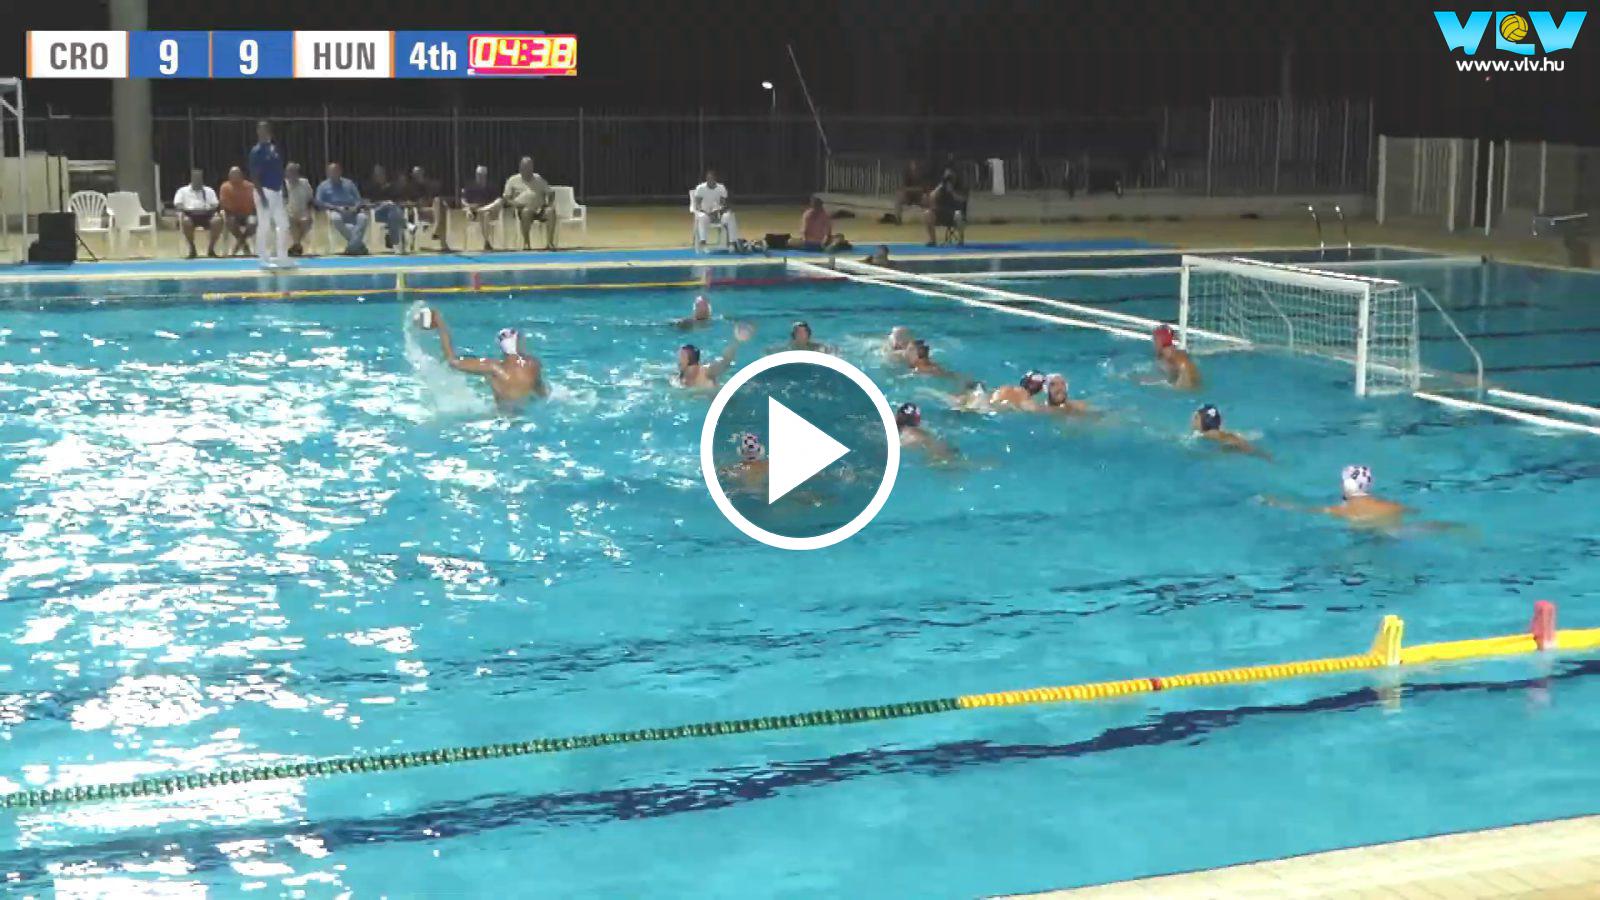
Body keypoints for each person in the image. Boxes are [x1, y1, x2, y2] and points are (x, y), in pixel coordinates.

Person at [419, 307, 548, 410]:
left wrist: (440, 323)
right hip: (525, 415)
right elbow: (542, 394)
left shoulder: (493, 368)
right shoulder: (533, 364)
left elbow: (452, 361)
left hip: (502, 419)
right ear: (519, 343)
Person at [248, 120, 289, 267]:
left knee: (283, 224)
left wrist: (283, 190)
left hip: (277, 191)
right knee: (264, 225)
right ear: (258, 132)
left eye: (266, 130)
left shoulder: (274, 149)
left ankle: (282, 256)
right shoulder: (256, 151)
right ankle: (263, 258)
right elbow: (254, 175)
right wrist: (261, 195)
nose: (264, 133)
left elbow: (280, 171)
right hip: (264, 190)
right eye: (261, 130)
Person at [676, 322, 755, 390]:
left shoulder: (707, 371)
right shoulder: (678, 379)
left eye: (681, 357)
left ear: (690, 361)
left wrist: (736, 341)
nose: (678, 360)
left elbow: (726, 361)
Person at [314, 162, 370, 255]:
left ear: (340, 171)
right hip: (336, 210)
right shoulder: (323, 186)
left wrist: (355, 208)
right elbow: (319, 202)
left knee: (363, 218)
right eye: (331, 171)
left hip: (352, 210)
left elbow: (358, 199)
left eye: (336, 171)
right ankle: (359, 246)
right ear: (327, 173)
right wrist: (336, 207)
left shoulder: (349, 183)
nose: (334, 173)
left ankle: (352, 247)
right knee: (336, 219)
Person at [503, 156, 556, 250]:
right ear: (520, 168)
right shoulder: (513, 180)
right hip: (523, 209)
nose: (527, 170)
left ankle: (550, 242)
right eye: (524, 168)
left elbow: (551, 192)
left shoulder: (538, 178)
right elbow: (506, 198)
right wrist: (515, 203)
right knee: (526, 212)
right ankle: (526, 243)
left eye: (529, 167)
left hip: (540, 209)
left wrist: (549, 204)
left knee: (551, 211)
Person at [172, 168, 223, 259]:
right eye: (195, 179)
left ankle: (211, 249)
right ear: (191, 179)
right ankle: (192, 248)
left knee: (217, 220)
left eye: (199, 179)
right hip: (190, 214)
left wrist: (209, 208)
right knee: (185, 221)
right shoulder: (182, 191)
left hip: (206, 214)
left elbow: (215, 204)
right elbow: (178, 204)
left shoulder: (209, 191)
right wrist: (185, 209)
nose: (197, 181)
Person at [1192, 404, 1268, 458]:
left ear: (1205, 421)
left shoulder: (1210, 434)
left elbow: (1233, 440)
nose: (1192, 420)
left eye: (1196, 417)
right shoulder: (1209, 433)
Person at [691, 168, 740, 251]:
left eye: (712, 178)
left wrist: (719, 212)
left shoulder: (721, 188)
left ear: (715, 179)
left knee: (730, 216)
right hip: (704, 213)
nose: (710, 180)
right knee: (702, 217)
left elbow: (723, 204)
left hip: (718, 214)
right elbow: (697, 205)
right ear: (706, 179)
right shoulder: (700, 188)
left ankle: (732, 243)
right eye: (708, 178)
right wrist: (706, 213)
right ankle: (703, 243)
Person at [405, 165, 451, 251]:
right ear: (412, 175)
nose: (418, 175)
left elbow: (434, 198)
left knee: (439, 202)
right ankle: (442, 241)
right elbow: (408, 202)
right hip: (419, 211)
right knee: (441, 212)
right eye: (416, 173)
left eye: (420, 172)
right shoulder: (410, 187)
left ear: (423, 173)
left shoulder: (428, 185)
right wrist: (417, 204)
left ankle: (437, 228)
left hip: (432, 209)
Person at [366, 164, 407, 251]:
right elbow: (367, 203)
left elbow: (399, 201)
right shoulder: (371, 188)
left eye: (381, 174)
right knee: (394, 211)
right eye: (377, 174)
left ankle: (395, 243)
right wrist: (381, 203)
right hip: (377, 213)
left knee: (393, 212)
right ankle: (405, 230)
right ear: (374, 176)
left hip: (392, 213)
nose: (380, 176)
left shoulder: (392, 187)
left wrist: (392, 203)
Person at [461, 165, 502, 251]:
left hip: (488, 211)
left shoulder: (491, 186)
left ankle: (486, 242)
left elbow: (498, 200)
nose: (480, 177)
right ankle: (487, 242)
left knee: (486, 214)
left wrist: (486, 208)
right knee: (479, 214)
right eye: (478, 174)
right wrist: (468, 209)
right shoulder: (470, 186)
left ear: (485, 175)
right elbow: (463, 201)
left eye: (482, 175)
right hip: (474, 212)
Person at [218, 167, 257, 256]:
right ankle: (244, 245)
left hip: (248, 214)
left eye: (237, 174)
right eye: (232, 174)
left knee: (253, 222)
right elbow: (224, 203)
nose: (234, 176)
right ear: (229, 176)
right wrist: (235, 210)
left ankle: (240, 242)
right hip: (232, 214)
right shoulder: (225, 187)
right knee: (230, 222)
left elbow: (254, 202)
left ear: (241, 175)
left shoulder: (250, 186)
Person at [924, 168, 967, 247]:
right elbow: (931, 197)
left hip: (953, 214)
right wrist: (939, 188)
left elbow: (963, 199)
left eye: (951, 178)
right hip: (940, 214)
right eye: (947, 178)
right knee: (927, 213)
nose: (949, 181)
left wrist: (952, 192)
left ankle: (961, 241)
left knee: (958, 214)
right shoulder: (941, 187)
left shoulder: (959, 187)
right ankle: (933, 240)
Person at [1152, 324, 1201, 390]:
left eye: (1155, 340)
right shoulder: (1171, 354)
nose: (1153, 344)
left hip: (1188, 388)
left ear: (1160, 342)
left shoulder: (1174, 360)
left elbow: (1185, 387)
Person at [282, 162, 315, 256]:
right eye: (290, 171)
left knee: (306, 221)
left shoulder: (305, 183)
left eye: (294, 171)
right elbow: (282, 202)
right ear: (286, 173)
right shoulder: (283, 185)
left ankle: (296, 246)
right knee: (290, 220)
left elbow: (310, 199)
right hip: (288, 212)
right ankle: (297, 246)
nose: (292, 173)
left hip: (303, 212)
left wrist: (308, 211)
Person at [893, 160, 927, 225]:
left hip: (918, 197)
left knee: (927, 200)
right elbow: (905, 186)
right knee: (898, 199)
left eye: (914, 165)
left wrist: (914, 189)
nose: (913, 166)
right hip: (909, 196)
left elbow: (923, 187)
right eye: (911, 165)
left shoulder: (921, 174)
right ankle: (898, 219)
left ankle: (929, 219)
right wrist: (905, 190)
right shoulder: (907, 174)